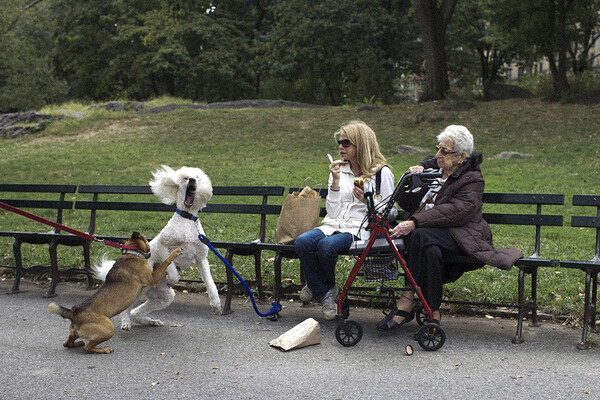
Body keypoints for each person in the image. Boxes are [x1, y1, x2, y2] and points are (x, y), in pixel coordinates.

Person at [377, 125, 523, 331]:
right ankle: (432, 312)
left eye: (444, 151)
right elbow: (407, 204)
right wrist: (411, 181)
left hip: (461, 235)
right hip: (429, 238)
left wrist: (415, 222)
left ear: (461, 157)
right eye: (438, 148)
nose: (438, 154)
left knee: (420, 235)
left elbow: (458, 210)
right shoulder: (431, 171)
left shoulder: (472, 179)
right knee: (429, 249)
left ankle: (407, 300)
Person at [295, 120, 398, 320]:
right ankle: (325, 290)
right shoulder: (340, 170)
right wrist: (334, 182)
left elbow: (390, 211)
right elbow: (332, 212)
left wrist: (367, 202)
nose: (340, 147)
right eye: (339, 143)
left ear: (361, 144)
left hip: (359, 228)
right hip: (334, 224)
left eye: (346, 143)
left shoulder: (380, 173)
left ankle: (319, 289)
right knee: (302, 241)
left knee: (326, 246)